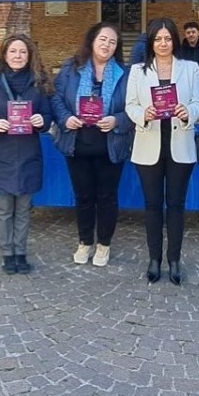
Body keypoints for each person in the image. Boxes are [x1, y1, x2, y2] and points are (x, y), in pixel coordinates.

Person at [125, 18, 199, 285]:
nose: (163, 43)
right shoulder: (138, 70)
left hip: (180, 143)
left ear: (174, 41)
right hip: (148, 142)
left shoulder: (190, 69)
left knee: (176, 205)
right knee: (151, 206)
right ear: (151, 42)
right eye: (158, 39)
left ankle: (174, 259)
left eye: (167, 38)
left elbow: (198, 103)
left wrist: (187, 114)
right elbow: (130, 105)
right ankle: (154, 259)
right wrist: (143, 115)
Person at [52, 22, 134, 268]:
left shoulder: (125, 73)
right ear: (91, 40)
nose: (107, 45)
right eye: (103, 39)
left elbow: (135, 107)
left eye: (112, 41)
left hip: (110, 145)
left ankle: (104, 244)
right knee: (83, 196)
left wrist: (117, 120)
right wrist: (66, 118)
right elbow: (55, 97)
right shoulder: (71, 68)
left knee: (107, 197)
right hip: (77, 144)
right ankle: (85, 241)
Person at [0, 34, 54, 275]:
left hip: (29, 153)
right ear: (4, 54)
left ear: (30, 56)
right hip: (2, 153)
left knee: (25, 208)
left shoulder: (39, 83)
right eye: (13, 52)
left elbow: (48, 117)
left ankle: (21, 252)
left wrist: (42, 120)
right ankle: (7, 253)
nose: (18, 56)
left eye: (23, 52)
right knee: (5, 209)